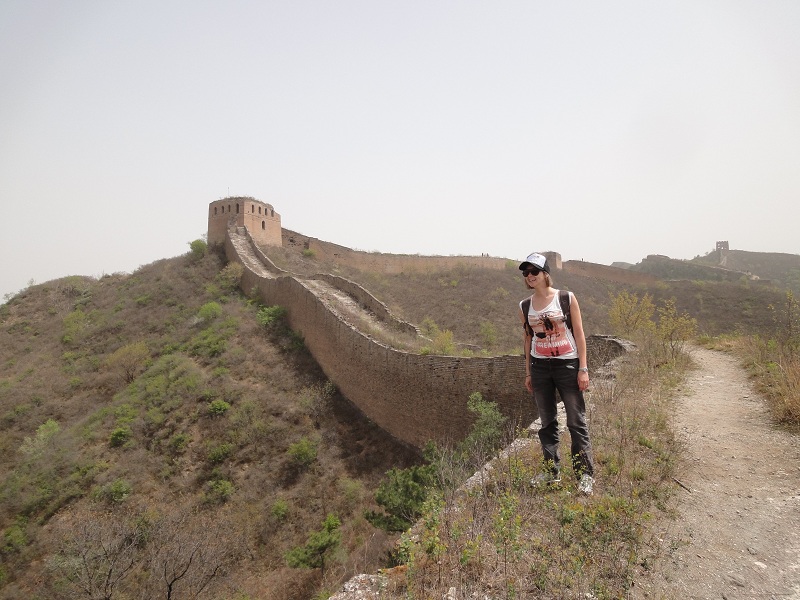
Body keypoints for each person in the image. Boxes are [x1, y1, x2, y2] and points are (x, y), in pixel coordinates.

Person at [518, 252, 595, 495]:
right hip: (541, 368)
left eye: (534, 271)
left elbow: (580, 333)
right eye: (526, 272)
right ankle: (551, 472)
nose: (529, 276)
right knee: (547, 422)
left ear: (545, 274)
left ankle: (584, 475)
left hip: (567, 364)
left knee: (575, 421)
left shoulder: (565, 298)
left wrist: (583, 368)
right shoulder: (524, 306)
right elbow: (528, 339)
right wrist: (528, 371)